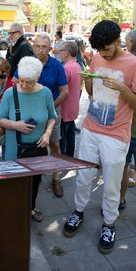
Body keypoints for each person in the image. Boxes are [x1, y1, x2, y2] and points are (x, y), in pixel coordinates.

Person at [63, 20, 136, 255]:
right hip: (92, 128)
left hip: (116, 133)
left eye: (106, 49)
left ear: (118, 41)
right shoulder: (95, 57)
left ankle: (109, 224)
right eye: (99, 50)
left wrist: (121, 88)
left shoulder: (133, 63)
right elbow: (93, 93)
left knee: (112, 184)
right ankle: (78, 211)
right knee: (83, 175)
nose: (103, 53)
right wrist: (87, 83)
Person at [0, 56, 57, 222]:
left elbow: (52, 117)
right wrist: (15, 125)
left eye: (28, 82)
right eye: (21, 81)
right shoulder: (11, 93)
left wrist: (47, 133)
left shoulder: (45, 93)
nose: (23, 85)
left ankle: (30, 207)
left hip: (37, 149)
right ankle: (13, 209)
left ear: (38, 78)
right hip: (14, 149)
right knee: (14, 182)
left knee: (34, 182)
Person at [13, 33, 68, 197]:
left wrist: (49, 107)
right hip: (28, 109)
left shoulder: (57, 65)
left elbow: (65, 91)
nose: (40, 50)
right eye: (37, 46)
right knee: (29, 141)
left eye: (44, 46)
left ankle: (56, 175)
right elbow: (15, 83)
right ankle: (29, 172)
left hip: (51, 110)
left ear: (50, 48)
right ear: (33, 47)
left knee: (55, 144)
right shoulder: (27, 63)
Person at [119, 29, 136, 211]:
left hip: (128, 128)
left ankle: (121, 200)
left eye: (126, 40)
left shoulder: (129, 64)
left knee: (123, 168)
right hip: (128, 128)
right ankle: (120, 200)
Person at [59, 41, 81, 157]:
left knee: (62, 139)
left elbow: (62, 90)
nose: (60, 53)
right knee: (70, 136)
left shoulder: (66, 68)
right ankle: (69, 158)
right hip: (73, 109)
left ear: (66, 53)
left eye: (61, 50)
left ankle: (62, 160)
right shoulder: (77, 65)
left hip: (64, 109)